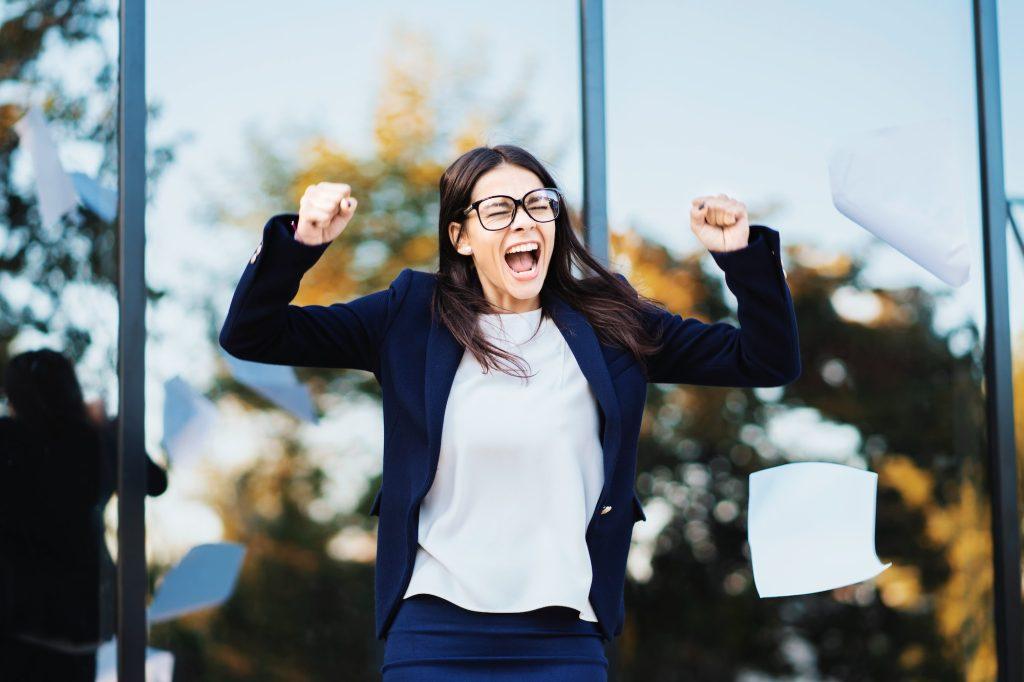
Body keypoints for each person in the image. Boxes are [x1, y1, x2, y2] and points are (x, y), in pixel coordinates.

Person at [219, 144, 801, 680]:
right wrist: (301, 243)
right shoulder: (409, 315)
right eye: (498, 209)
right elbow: (252, 335)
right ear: (462, 236)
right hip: (434, 635)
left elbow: (765, 361)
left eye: (538, 205)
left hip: (565, 637)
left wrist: (740, 259)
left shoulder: (613, 322)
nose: (523, 220)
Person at [0, 349, 168, 681]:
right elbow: (155, 482)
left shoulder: (9, 440)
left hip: (18, 614)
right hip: (82, 616)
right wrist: (110, 427)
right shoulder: (96, 441)